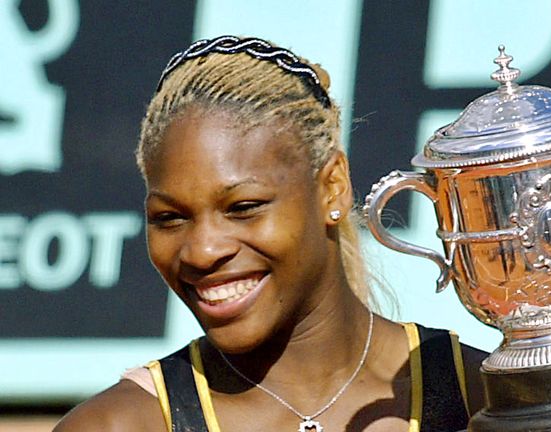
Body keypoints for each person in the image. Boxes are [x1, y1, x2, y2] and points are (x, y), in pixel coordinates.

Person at [54, 36, 487, 432]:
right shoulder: (117, 424)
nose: (203, 251)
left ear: (332, 187)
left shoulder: (483, 399)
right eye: (170, 218)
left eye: (243, 208)